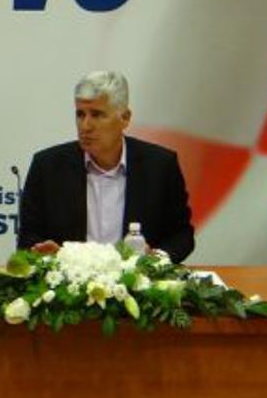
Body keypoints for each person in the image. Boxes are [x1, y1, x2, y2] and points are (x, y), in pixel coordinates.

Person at [18, 70, 195, 263]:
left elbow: (181, 234)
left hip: (137, 278)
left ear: (125, 118)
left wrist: (155, 259)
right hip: (69, 278)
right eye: (80, 114)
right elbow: (28, 237)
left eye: (97, 114)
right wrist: (49, 256)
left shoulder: (160, 166)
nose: (85, 126)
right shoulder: (47, 167)